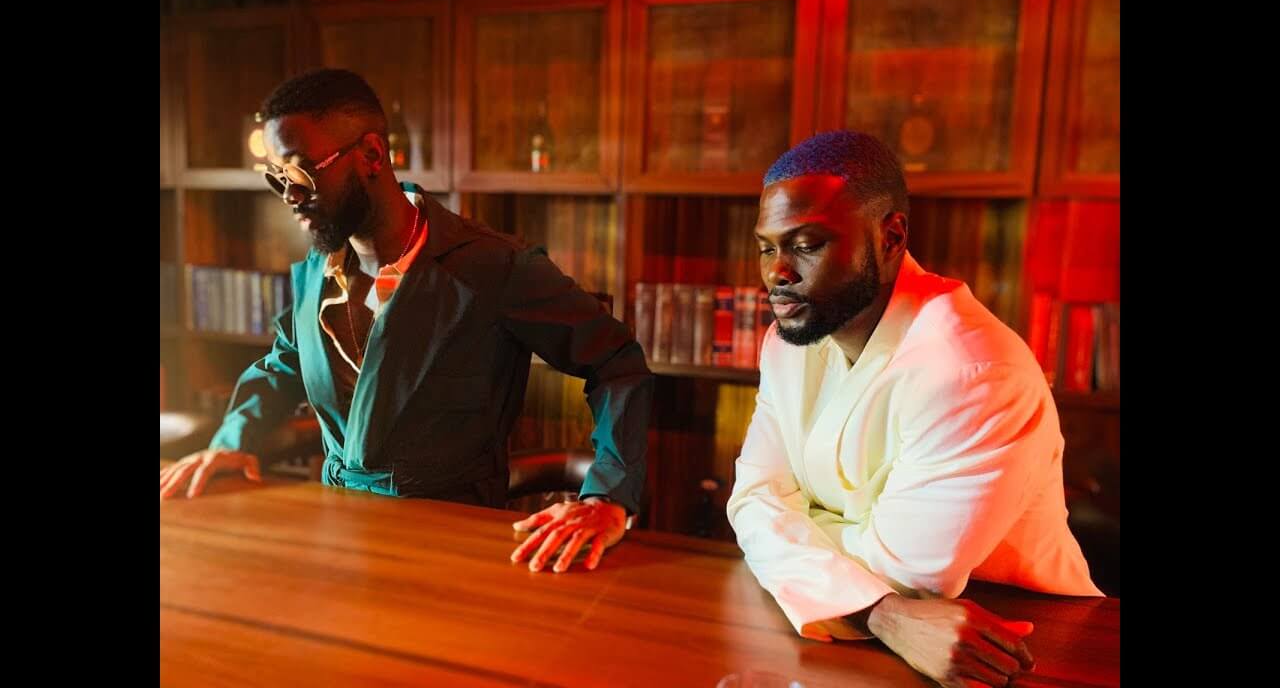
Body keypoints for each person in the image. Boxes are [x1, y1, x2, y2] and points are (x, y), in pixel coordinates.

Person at [159, 69, 652, 574]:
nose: (289, 196)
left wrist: (607, 496)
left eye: (301, 173)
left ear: (372, 155)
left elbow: (618, 363)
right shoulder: (318, 268)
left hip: (453, 550)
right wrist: (231, 442)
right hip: (336, 539)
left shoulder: (494, 267)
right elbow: (286, 361)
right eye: (277, 178)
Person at [728, 130, 1101, 687]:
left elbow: (907, 579)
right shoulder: (790, 343)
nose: (778, 273)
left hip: (1014, 645)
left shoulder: (972, 369)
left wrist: (797, 528)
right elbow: (751, 500)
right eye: (767, 247)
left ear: (891, 236)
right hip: (879, 635)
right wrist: (882, 610)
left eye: (806, 245)